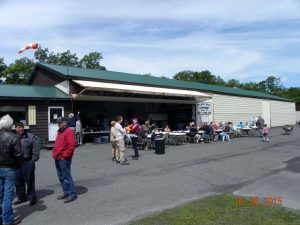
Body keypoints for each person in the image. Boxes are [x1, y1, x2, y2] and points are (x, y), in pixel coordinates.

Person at [0, 115, 23, 225]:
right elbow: (19, 155)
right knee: (8, 195)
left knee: (0, 193)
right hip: (9, 168)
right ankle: (7, 220)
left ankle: (2, 216)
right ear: (10, 125)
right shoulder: (14, 137)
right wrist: (18, 166)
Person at [14, 122, 40, 206]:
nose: (20, 129)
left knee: (29, 181)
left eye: (21, 127)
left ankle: (32, 197)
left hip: (28, 162)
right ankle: (21, 197)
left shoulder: (31, 137)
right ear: (15, 129)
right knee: (18, 181)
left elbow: (36, 150)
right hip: (17, 163)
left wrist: (32, 160)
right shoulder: (13, 137)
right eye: (18, 127)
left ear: (23, 127)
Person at [52, 117, 77, 203]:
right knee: (61, 177)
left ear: (65, 123)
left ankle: (71, 194)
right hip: (57, 158)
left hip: (63, 158)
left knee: (66, 176)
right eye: (58, 123)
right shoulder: (60, 131)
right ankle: (66, 192)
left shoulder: (69, 131)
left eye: (60, 122)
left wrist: (64, 156)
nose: (59, 124)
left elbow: (72, 146)